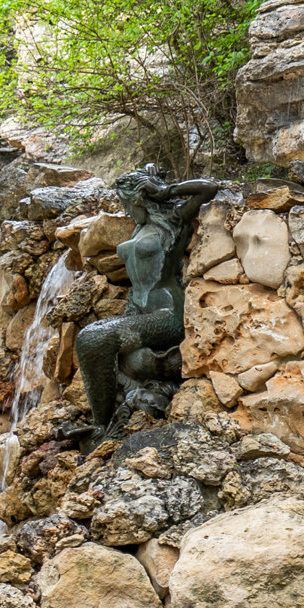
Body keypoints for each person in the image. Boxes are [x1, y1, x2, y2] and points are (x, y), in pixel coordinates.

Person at [72, 165, 234, 432]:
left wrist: (163, 190)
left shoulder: (175, 217)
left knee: (93, 338)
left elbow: (208, 188)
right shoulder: (140, 227)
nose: (125, 210)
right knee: (103, 344)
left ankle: (100, 425)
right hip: (138, 308)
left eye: (126, 203)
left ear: (140, 198)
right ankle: (113, 413)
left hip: (166, 313)